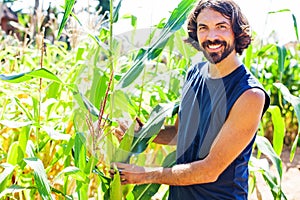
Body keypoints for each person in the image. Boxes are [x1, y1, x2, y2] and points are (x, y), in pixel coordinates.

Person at [111, 0, 270, 199]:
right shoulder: (194, 73)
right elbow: (180, 134)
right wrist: (140, 134)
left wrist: (145, 175)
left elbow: (209, 170)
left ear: (236, 32)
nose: (211, 36)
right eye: (203, 28)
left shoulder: (249, 94)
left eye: (221, 27)